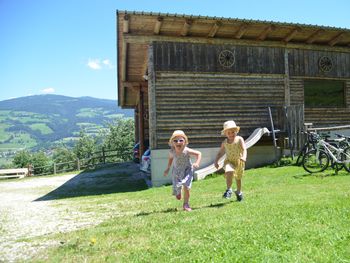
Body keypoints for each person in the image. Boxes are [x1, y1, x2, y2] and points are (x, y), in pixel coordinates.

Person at [163, 130, 201, 211]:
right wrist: (168, 168)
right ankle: (178, 191)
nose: (178, 142)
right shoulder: (172, 151)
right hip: (177, 171)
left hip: (187, 170)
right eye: (175, 140)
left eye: (181, 140)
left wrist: (197, 162)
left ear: (185, 142)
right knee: (177, 186)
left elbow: (198, 153)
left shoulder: (187, 150)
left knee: (186, 187)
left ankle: (186, 204)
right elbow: (170, 159)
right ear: (172, 143)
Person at [214, 120, 247, 201]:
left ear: (236, 131)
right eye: (229, 133)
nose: (231, 134)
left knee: (238, 179)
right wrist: (216, 161)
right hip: (229, 161)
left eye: (233, 132)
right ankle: (229, 189)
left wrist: (244, 157)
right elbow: (220, 153)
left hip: (239, 162)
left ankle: (239, 192)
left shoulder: (239, 139)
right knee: (229, 170)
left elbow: (244, 149)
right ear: (225, 133)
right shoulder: (225, 142)